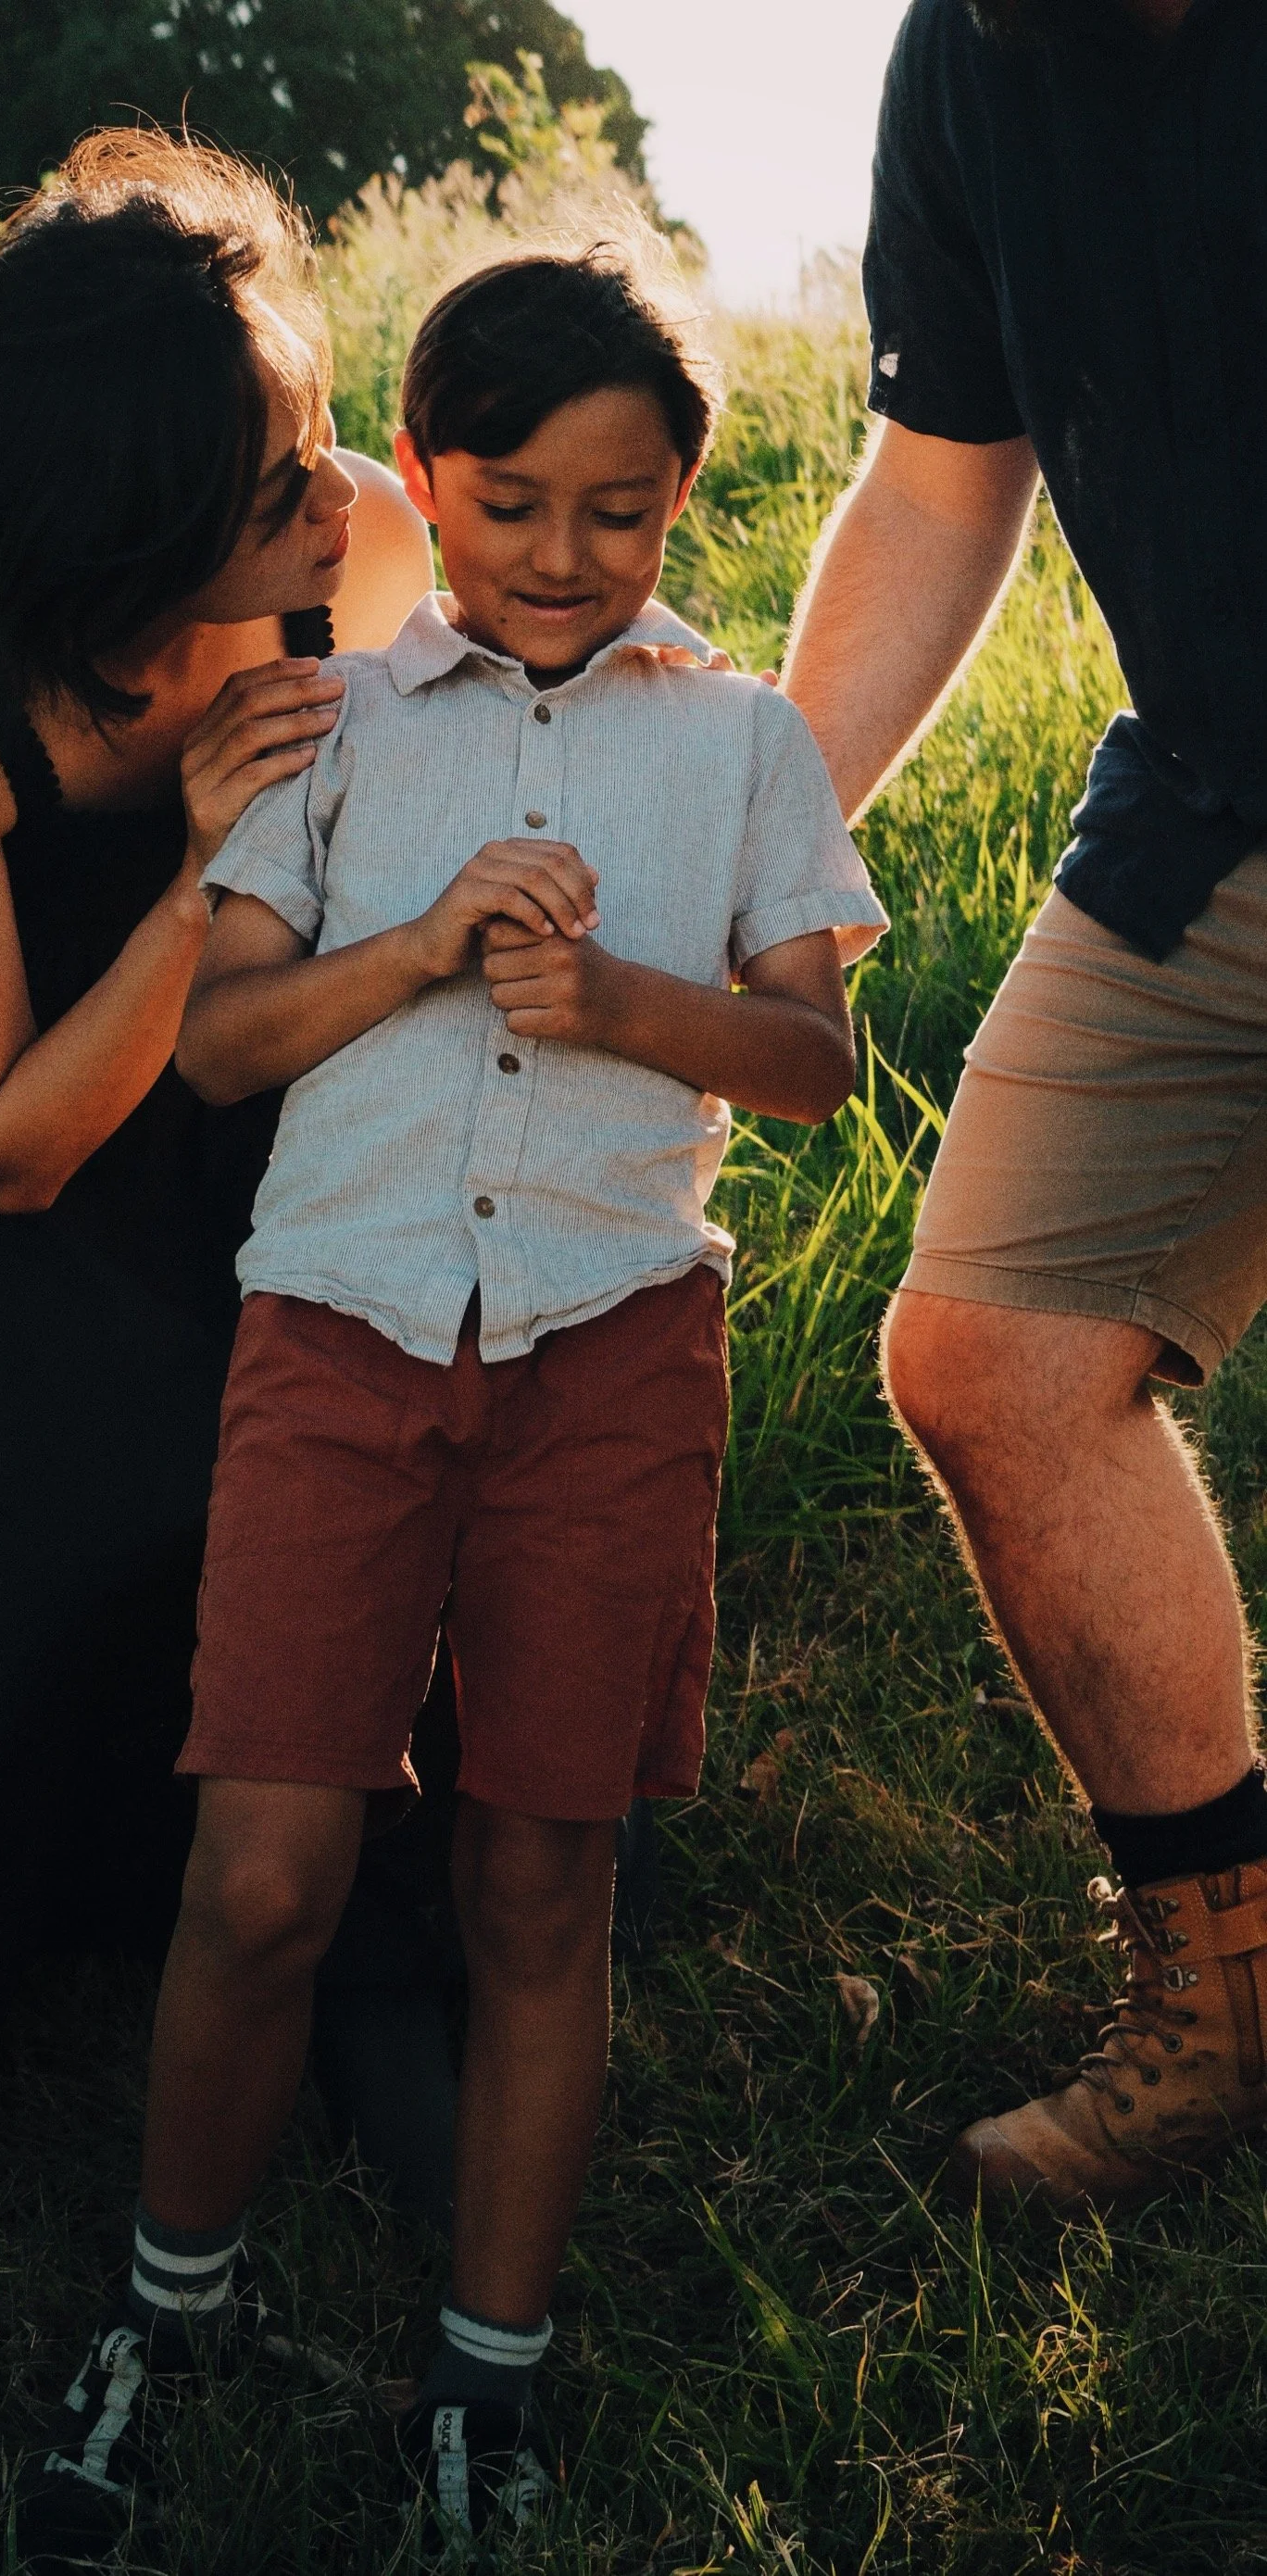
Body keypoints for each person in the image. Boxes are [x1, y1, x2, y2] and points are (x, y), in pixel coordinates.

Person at [20, 234, 886, 2569]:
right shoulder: (340, 727)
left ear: (685, 501)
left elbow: (814, 1061)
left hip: (613, 1348)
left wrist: (617, 996)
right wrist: (421, 953)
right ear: (423, 478)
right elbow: (217, 1044)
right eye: (506, 501)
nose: (558, 555)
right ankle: (157, 2312)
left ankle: (482, 2381)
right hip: (339, 1329)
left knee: (539, 1872)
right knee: (266, 1870)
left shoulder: (738, 741)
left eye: (619, 511)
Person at [0, 128, 471, 2286]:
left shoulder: (362, 546)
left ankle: (352, 1961)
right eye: (272, 491)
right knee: (98, 1477)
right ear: (118, 545)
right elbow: (5, 1138)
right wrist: (214, 850)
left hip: (234, 1109)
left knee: (349, 1415)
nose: (337, 501)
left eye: (318, 441)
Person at [781, 0, 1267, 2214]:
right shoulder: (965, 59)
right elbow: (934, 478)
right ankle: (1228, 2016)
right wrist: (757, 863)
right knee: (989, 1356)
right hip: (1214, 809)